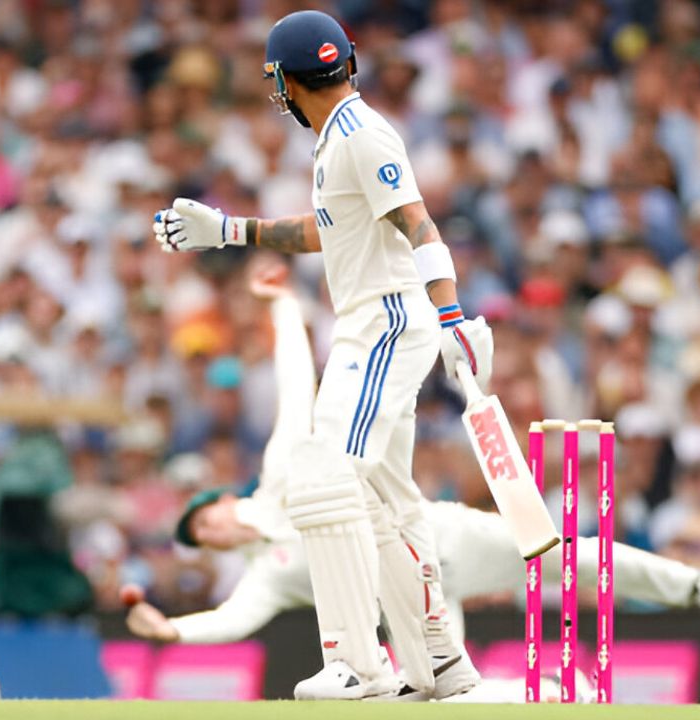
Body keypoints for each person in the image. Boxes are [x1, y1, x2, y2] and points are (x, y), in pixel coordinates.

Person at [125, 265, 700, 689]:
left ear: (219, 505)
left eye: (203, 523)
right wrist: (172, 630)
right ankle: (541, 692)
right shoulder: (268, 574)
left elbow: (297, 386)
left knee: (569, 558)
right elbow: (233, 620)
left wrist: (286, 309)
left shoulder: (283, 474)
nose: (211, 537)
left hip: (441, 539)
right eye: (202, 542)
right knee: (444, 696)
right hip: (416, 607)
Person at [153, 10, 492, 700]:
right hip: (374, 325)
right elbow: (330, 232)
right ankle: (439, 663)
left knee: (319, 475)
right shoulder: (339, 137)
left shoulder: (362, 135)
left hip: (387, 325)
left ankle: (357, 664)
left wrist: (452, 313)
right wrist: (229, 229)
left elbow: (418, 222)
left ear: (282, 80)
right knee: (383, 499)